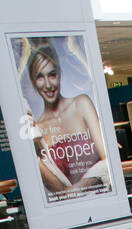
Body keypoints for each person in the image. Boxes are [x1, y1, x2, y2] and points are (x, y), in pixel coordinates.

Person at [21, 38, 111, 201]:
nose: (48, 84)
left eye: (52, 74)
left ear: (60, 74)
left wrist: (82, 186)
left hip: (102, 196)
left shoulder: (81, 104)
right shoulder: (39, 130)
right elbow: (58, 188)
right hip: (69, 207)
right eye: (40, 77)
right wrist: (33, 148)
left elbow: (107, 158)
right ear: (34, 82)